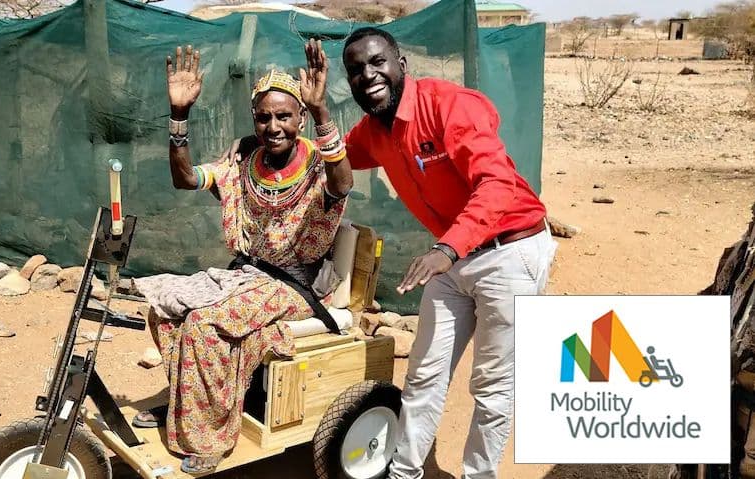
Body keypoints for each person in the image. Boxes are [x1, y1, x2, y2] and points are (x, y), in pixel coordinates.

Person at [338, 28, 557, 479]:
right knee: (424, 374)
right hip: (456, 256)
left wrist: (447, 248)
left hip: (509, 251)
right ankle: (404, 472)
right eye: (356, 70)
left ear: (401, 64)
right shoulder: (374, 131)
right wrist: (293, 128)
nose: (368, 75)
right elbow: (334, 158)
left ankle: (479, 474)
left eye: (377, 62)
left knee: (492, 386)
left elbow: (496, 183)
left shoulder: (449, 105)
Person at [132, 41, 353, 474]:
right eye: (264, 117)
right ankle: (186, 405)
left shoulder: (317, 164)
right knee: (164, 308)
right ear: (254, 119)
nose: (274, 126)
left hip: (294, 287)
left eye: (284, 116)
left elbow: (342, 184)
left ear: (300, 117)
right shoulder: (243, 161)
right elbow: (186, 178)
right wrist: (179, 115)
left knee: (203, 323)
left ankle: (209, 436)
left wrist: (323, 111)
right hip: (247, 276)